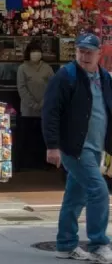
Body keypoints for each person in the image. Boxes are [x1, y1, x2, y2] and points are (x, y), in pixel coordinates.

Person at [42, 32, 112, 261]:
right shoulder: (66, 76)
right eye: (81, 51)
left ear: (99, 53)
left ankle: (65, 244)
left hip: (95, 148)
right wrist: (52, 146)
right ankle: (99, 243)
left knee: (75, 196)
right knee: (99, 191)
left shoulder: (105, 78)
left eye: (89, 52)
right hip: (73, 147)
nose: (84, 56)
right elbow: (50, 112)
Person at [16, 39, 53, 170]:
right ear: (28, 53)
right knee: (26, 138)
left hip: (44, 110)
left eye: (38, 51)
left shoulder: (47, 68)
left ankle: (43, 164)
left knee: (42, 139)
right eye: (33, 51)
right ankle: (23, 165)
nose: (36, 54)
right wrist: (33, 104)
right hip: (27, 110)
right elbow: (21, 88)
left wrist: (43, 103)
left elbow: (52, 86)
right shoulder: (22, 68)